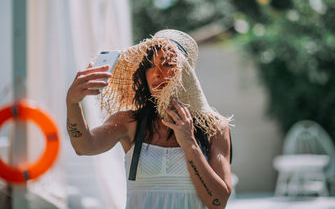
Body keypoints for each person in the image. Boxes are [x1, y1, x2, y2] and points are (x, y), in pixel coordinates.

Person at [66, 29, 232, 209]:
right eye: (150, 66)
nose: (157, 72)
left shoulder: (214, 127)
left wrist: (190, 144)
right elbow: (84, 147)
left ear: (185, 73)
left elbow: (218, 202)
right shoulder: (128, 121)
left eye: (167, 63)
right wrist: (72, 103)